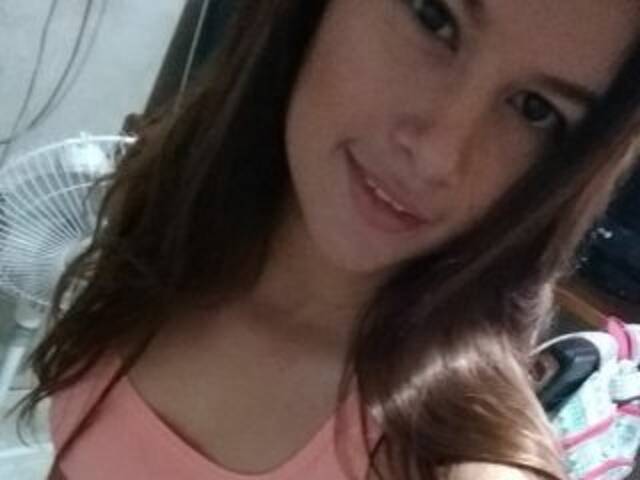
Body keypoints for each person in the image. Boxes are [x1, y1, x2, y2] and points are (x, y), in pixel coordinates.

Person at [16, 0, 640, 478]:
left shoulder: (446, 455)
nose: (437, 155)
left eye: (534, 109)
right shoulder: (172, 223)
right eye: (435, 18)